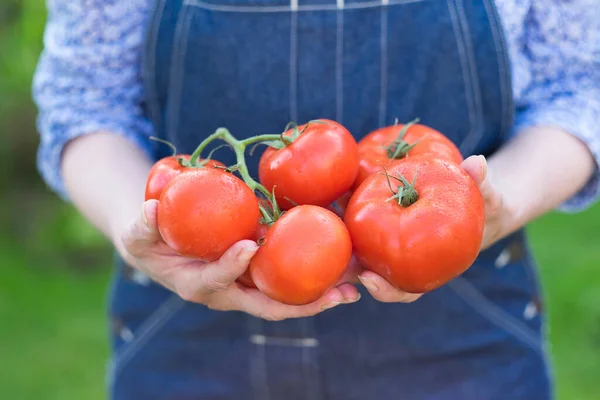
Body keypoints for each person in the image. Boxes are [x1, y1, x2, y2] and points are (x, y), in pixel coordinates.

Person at [34, 0, 599, 398]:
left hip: (463, 339)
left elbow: (582, 85)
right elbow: (87, 101)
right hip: (186, 340)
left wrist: (503, 198)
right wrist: (140, 225)